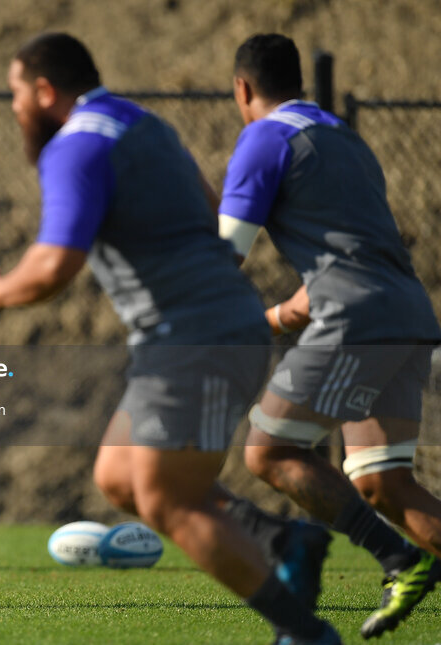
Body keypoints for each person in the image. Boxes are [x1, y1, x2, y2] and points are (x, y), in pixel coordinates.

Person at [0, 32, 339, 645]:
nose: (14, 107)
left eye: (16, 94)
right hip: (206, 328)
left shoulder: (74, 145)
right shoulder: (143, 123)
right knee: (119, 475)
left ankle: (302, 631)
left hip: (195, 335)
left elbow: (52, 267)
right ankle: (279, 536)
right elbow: (213, 219)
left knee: (162, 497)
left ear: (46, 92)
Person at [218, 33, 441, 639]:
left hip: (356, 320)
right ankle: (407, 554)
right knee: (382, 481)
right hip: (408, 313)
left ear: (243, 89)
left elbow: (223, 257)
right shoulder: (346, 138)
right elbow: (357, 241)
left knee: (269, 451)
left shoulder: (264, 136)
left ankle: (400, 560)